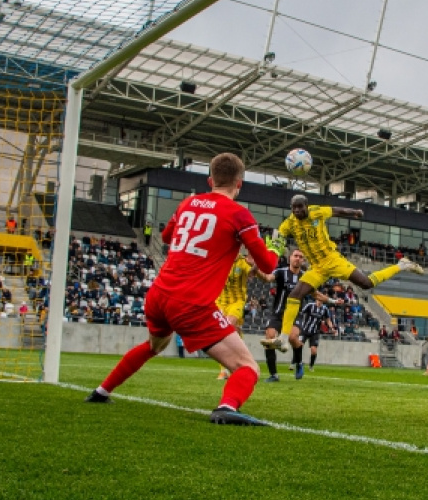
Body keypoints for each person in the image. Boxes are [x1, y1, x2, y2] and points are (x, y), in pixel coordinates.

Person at [84, 152, 283, 426]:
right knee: (248, 367)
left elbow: (166, 237)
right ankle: (227, 406)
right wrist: (275, 247)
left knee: (154, 345)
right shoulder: (240, 214)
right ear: (239, 184)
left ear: (210, 180)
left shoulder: (188, 203)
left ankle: (101, 391)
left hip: (159, 294)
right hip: (191, 302)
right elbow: (268, 266)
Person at [261, 194, 423, 353]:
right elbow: (279, 235)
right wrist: (272, 246)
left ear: (306, 206)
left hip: (333, 260)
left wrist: (354, 212)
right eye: (294, 207)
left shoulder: (316, 212)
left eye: (300, 207)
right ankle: (283, 339)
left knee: (366, 283)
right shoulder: (289, 223)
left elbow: (337, 210)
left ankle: (401, 265)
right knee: (294, 296)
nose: (297, 210)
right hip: (316, 267)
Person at [214, 251, 268, 381]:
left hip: (236, 302)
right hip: (220, 301)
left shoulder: (243, 262)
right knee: (229, 332)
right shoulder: (220, 259)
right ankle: (224, 369)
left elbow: (252, 273)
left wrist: (255, 264)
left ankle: (236, 363)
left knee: (226, 327)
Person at [262, 248, 305, 383]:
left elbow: (314, 293)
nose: (298, 258)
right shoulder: (281, 272)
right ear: (290, 258)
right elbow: (268, 278)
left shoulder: (305, 277)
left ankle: (299, 362)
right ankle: (274, 375)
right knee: (269, 338)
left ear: (303, 260)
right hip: (278, 313)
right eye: (295, 255)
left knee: (292, 337)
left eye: (300, 257)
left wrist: (331, 300)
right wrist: (257, 271)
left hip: (295, 314)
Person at [291, 293, 336, 379]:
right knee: (299, 345)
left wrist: (332, 327)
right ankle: (295, 362)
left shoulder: (325, 309)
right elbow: (301, 313)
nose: (320, 302)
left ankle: (311, 365)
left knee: (314, 350)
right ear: (316, 299)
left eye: (322, 301)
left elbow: (328, 320)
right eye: (319, 300)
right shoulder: (309, 305)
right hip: (304, 330)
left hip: (315, 332)